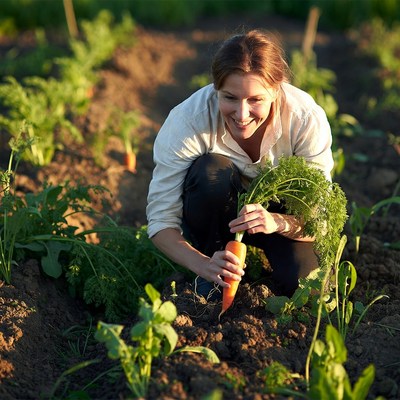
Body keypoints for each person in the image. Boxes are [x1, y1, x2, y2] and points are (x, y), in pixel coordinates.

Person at [146, 29, 334, 301]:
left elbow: (321, 218)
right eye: (230, 98)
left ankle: (272, 255)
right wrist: (203, 264)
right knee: (210, 170)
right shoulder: (188, 121)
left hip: (282, 217)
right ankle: (216, 257)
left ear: (276, 88)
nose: (242, 114)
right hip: (217, 212)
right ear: (216, 88)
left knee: (309, 292)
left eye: (256, 100)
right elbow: (161, 221)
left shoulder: (305, 119)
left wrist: (277, 222)